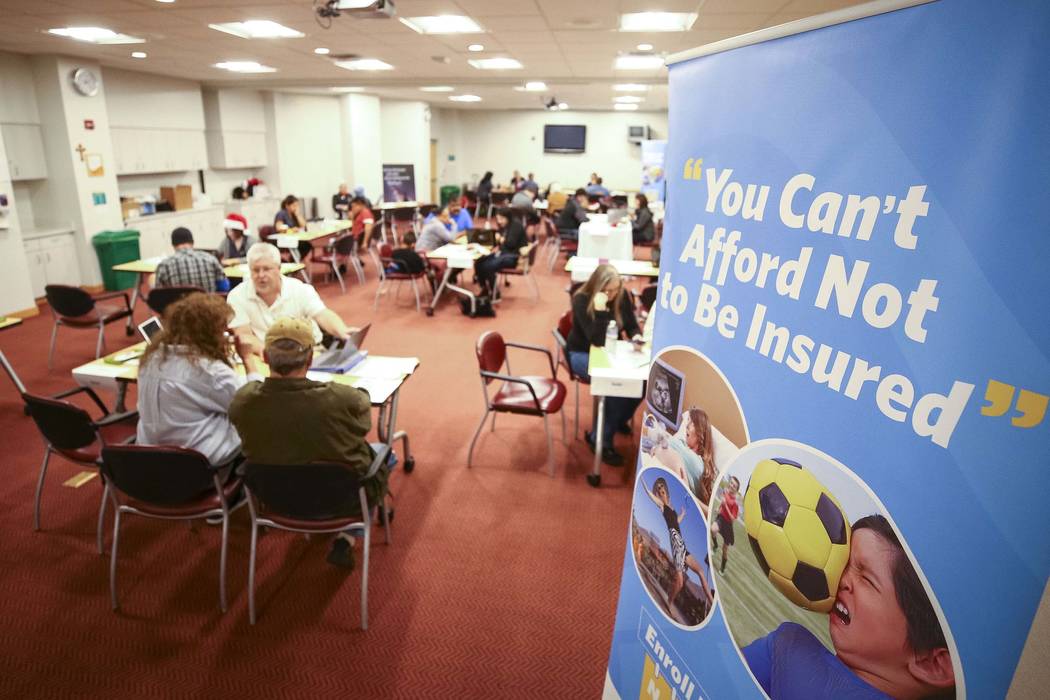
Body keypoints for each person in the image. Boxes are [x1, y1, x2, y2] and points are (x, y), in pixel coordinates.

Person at [229, 317, 387, 569]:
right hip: (340, 498)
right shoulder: (340, 398)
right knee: (383, 454)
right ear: (311, 359)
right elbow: (361, 428)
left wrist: (248, 361)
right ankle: (348, 535)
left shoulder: (243, 401)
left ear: (266, 358)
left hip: (275, 499)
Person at [743, 514, 955, 699]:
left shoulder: (790, 651)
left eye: (866, 578)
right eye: (844, 564)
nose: (841, 578)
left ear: (932, 664)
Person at [136, 293, 262, 473]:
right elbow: (253, 407)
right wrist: (248, 359)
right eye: (222, 330)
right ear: (208, 333)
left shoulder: (151, 358)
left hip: (147, 464)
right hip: (199, 469)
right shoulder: (209, 371)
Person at [566, 264, 643, 465]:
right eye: (606, 290)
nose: (611, 294)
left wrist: (636, 336)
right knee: (615, 385)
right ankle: (601, 440)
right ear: (596, 287)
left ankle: (614, 421)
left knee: (641, 384)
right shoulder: (581, 299)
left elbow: (631, 324)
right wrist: (600, 309)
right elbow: (596, 339)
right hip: (582, 353)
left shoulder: (622, 296)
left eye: (615, 289)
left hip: (612, 352)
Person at [227, 242, 357, 352]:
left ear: (279, 268)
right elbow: (244, 335)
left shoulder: (300, 289)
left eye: (267, 269)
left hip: (308, 353)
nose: (261, 275)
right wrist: (274, 356)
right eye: (255, 270)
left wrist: (342, 331)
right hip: (266, 356)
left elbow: (322, 314)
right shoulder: (237, 297)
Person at [642, 476, 714, 611]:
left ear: (666, 491)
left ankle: (710, 601)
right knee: (680, 582)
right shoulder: (662, 506)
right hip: (676, 544)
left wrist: (682, 514)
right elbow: (650, 495)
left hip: (682, 544)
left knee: (701, 572)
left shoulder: (671, 507)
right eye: (659, 489)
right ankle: (669, 602)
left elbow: (676, 522)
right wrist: (644, 483)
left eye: (662, 488)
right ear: (658, 494)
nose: (661, 490)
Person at [643, 408, 717, 515]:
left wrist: (688, 494)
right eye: (687, 422)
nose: (687, 426)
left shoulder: (702, 466)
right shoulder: (680, 442)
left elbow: (711, 513)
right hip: (655, 469)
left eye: (691, 423)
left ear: (701, 430)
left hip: (671, 490)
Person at [154, 227, 227, 293]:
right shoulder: (211, 259)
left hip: (179, 307)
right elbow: (224, 287)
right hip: (208, 306)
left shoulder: (164, 265)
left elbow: (159, 294)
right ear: (192, 242)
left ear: (173, 245)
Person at [474, 208, 526, 296]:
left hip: (513, 256)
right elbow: (497, 239)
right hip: (502, 253)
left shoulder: (516, 225)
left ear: (508, 217)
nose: (499, 221)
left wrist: (500, 238)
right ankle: (484, 288)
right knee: (478, 262)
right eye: (498, 219)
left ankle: (495, 293)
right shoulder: (504, 225)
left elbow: (511, 244)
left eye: (501, 219)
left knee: (488, 266)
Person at [710, 476, 740, 573]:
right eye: (731, 483)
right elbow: (722, 504)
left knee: (725, 550)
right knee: (713, 529)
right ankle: (715, 546)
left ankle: (722, 568)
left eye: (734, 486)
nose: (731, 486)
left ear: (736, 490)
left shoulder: (735, 503)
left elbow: (732, 519)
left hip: (728, 526)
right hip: (721, 519)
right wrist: (718, 510)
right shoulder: (725, 491)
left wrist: (725, 506)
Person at [273, 195, 313, 261]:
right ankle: (294, 261)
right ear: (287, 205)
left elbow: (304, 225)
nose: (296, 207)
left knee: (307, 245)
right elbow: (279, 228)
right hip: (282, 240)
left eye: (297, 205)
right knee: (303, 245)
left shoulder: (294, 214)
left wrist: (298, 214)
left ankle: (295, 261)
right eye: (294, 205)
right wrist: (291, 230)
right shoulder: (281, 213)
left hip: (293, 238)